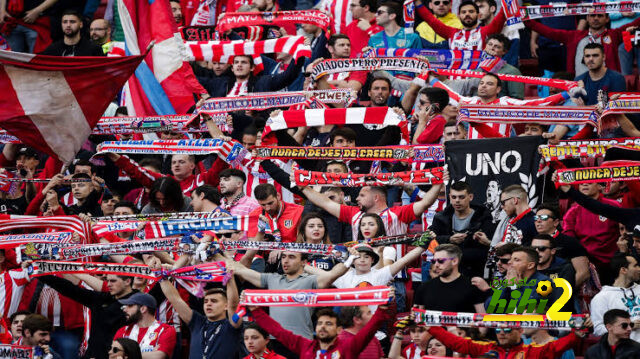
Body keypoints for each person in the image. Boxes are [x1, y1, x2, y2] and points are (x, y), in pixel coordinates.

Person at [248, 297, 394, 359]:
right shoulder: (304, 346)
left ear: (338, 330)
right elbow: (277, 331)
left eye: (328, 324)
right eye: (320, 323)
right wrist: (255, 310)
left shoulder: (348, 347)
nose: (323, 327)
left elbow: (369, 331)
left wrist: (381, 309)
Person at [37, 274, 137, 359]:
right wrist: (39, 273)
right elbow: (69, 289)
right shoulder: (101, 299)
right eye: (108, 281)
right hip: (92, 355)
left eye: (113, 281)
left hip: (117, 355)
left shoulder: (139, 302)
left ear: (127, 281)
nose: (109, 284)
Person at [526, 13, 640, 76]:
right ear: (587, 18)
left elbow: (636, 22)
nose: (595, 18)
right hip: (580, 86)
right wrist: (525, 20)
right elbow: (549, 32)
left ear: (607, 19)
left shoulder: (614, 35)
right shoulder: (574, 36)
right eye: (592, 16)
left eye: (600, 16)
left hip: (608, 85)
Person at [158, 277, 242, 358]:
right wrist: (160, 276)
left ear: (226, 306)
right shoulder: (197, 322)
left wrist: (230, 278)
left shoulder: (232, 324)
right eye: (205, 301)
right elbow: (174, 298)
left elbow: (233, 305)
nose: (208, 304)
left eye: (214, 301)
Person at [427, 319, 590, 358]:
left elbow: (556, 347)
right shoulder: (486, 348)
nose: (501, 332)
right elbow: (456, 343)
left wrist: (576, 335)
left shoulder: (531, 352)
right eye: (498, 328)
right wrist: (429, 327)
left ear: (519, 330)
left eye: (507, 329)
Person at [429, 181, 495, 277]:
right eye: (454, 197)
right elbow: (430, 239)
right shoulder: (441, 217)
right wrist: (449, 239)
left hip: (475, 271)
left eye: (461, 197)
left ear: (470, 197)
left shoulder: (483, 217)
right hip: (447, 271)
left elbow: (489, 246)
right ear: (449, 197)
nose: (457, 201)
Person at [414, 243, 487, 312]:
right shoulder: (424, 287)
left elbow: (482, 318)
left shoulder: (472, 286)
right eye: (434, 261)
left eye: (440, 261)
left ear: (454, 261)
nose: (436, 265)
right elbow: (419, 319)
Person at [534, 204, 591, 288]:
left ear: (556, 222)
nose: (538, 221)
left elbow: (583, 273)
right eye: (536, 218)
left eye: (544, 217)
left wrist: (561, 292)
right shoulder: (529, 244)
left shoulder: (570, 242)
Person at [414, 0, 505, 51]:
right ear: (459, 16)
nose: (467, 14)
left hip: (476, 79)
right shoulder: (451, 33)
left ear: (478, 15)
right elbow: (430, 19)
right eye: (463, 12)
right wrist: (417, 2)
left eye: (471, 11)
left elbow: (502, 16)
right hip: (454, 80)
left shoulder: (485, 31)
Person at [590, 253, 640, 341]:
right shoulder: (602, 298)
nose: (639, 269)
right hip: (623, 351)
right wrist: (628, 326)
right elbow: (598, 329)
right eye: (635, 266)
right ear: (624, 270)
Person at [114, 293, 177, 358]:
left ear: (143, 309)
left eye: (130, 305)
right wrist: (149, 354)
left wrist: (126, 355)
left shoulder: (166, 330)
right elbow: (114, 355)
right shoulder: (123, 330)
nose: (125, 309)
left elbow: (158, 356)